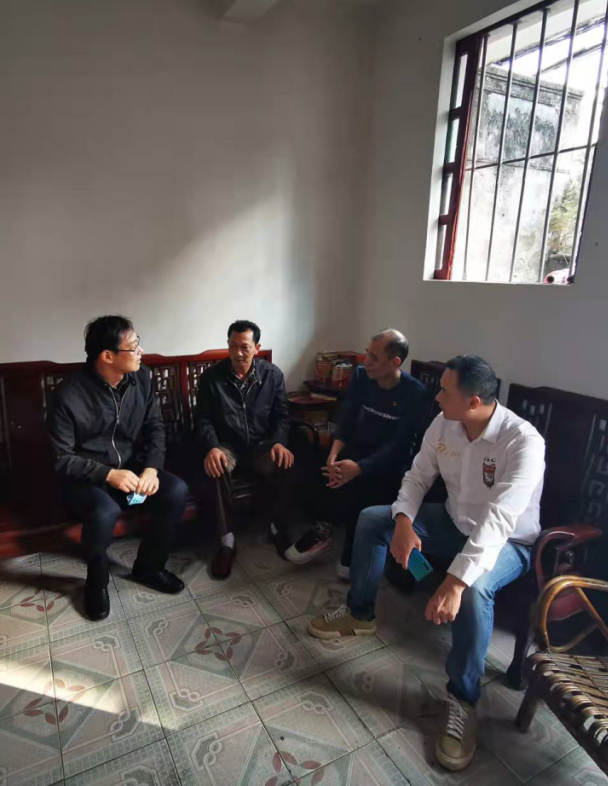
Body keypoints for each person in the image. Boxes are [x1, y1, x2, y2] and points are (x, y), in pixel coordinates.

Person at [307, 355, 544, 773]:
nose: (436, 397)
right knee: (373, 521)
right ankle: (361, 612)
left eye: (444, 392)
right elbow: (417, 477)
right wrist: (403, 522)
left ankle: (463, 698)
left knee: (474, 589)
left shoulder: (522, 441)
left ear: (473, 402)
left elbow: (500, 520)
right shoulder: (445, 423)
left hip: (509, 542)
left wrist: (455, 582)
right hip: (453, 522)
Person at [46, 315, 187, 621]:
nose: (140, 351)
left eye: (138, 343)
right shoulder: (68, 395)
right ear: (107, 356)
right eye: (133, 347)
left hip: (131, 469)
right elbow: (62, 458)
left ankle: (149, 567)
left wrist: (151, 469)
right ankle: (96, 582)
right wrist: (108, 474)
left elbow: (155, 428)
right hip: (85, 478)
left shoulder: (142, 378)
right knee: (104, 512)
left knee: (176, 490)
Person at [284, 329, 428, 579]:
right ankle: (324, 529)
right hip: (356, 450)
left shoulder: (414, 393)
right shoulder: (361, 376)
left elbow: (399, 445)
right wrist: (334, 454)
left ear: (394, 362)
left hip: (389, 463)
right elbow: (346, 419)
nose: (366, 361)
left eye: (374, 357)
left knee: (360, 482)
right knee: (319, 464)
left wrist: (359, 468)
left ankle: (352, 542)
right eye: (367, 353)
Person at [194, 320, 295, 579]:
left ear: (257, 348)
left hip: (262, 445)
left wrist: (279, 442)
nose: (238, 353)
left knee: (283, 460)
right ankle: (226, 541)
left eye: (245, 347)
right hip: (228, 445)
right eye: (232, 346)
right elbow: (203, 419)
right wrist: (213, 447)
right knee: (216, 465)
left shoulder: (272, 375)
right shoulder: (212, 378)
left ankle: (277, 528)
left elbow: (282, 416)